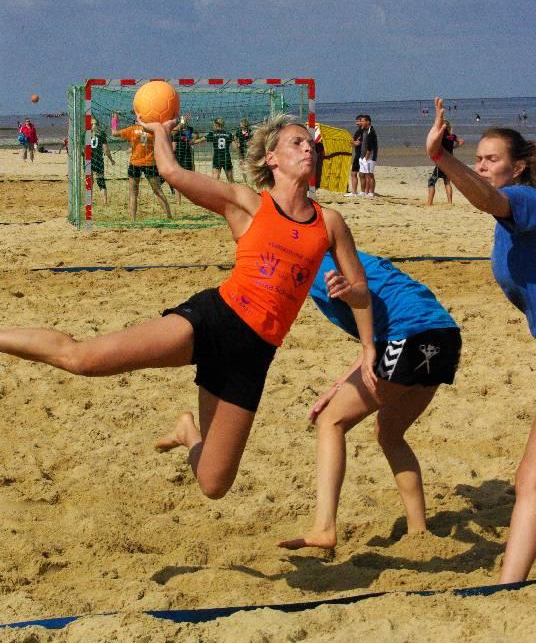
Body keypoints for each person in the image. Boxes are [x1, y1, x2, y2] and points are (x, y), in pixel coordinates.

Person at [0, 114, 375, 501]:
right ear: (271, 159)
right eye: (296, 142)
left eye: (309, 142)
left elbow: (363, 291)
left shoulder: (330, 223)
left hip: (254, 354)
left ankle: (186, 431)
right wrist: (161, 133)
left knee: (214, 484)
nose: (308, 147)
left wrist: (354, 304)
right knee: (83, 360)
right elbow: (172, 172)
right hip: (214, 321)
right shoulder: (247, 203)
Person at [278, 249, 461, 550]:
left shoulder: (317, 267)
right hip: (445, 336)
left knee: (331, 421)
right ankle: (418, 533)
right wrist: (339, 384)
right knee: (389, 432)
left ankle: (324, 528)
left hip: (409, 337)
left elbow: (369, 313)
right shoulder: (350, 258)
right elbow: (376, 338)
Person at [426, 96, 536, 584]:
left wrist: (441, 157)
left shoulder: (524, 200)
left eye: (492, 159)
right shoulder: (510, 220)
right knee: (529, 479)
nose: (484, 166)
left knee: (531, 480)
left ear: (519, 167)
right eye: (479, 158)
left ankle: (508, 585)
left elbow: (488, 198)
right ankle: (509, 585)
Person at [111, 120, 172, 222]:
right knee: (158, 191)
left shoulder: (132, 129)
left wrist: (114, 120)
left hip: (135, 163)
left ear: (137, 120)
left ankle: (133, 220)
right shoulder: (153, 130)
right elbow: (167, 135)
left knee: (133, 193)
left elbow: (114, 133)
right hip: (150, 163)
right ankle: (169, 216)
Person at [426, 119, 464, 206]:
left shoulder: (441, 136)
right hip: (450, 162)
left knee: (431, 181)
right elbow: (462, 142)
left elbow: (434, 144)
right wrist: (454, 147)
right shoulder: (452, 136)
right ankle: (450, 202)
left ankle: (429, 203)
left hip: (442, 162)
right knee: (447, 182)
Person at [195, 118, 235, 183]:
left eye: (213, 124)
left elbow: (201, 140)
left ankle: (215, 189)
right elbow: (235, 146)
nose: (213, 126)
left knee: (215, 179)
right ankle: (232, 188)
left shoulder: (212, 134)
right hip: (226, 157)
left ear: (216, 125)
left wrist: (192, 142)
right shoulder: (229, 134)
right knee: (230, 180)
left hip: (217, 158)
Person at [90, 117, 115, 205]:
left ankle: (89, 201)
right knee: (100, 180)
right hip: (98, 160)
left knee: (89, 181)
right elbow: (106, 150)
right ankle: (104, 201)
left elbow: (82, 150)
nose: (94, 126)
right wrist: (111, 160)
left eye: (94, 124)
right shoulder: (101, 134)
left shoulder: (85, 134)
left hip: (89, 160)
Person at [357, 115, 378, 198]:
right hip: (362, 156)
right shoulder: (363, 130)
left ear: (368, 122)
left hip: (370, 157)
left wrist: (366, 157)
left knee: (370, 175)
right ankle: (362, 192)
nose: (360, 122)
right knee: (361, 174)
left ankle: (371, 193)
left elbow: (370, 147)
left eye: (362, 121)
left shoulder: (371, 132)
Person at [344, 116, 363, 197]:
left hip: (360, 155)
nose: (357, 123)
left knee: (354, 173)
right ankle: (363, 192)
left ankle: (355, 192)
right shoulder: (360, 131)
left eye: (358, 121)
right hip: (360, 154)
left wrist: (348, 142)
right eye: (356, 121)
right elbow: (355, 143)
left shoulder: (362, 132)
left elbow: (357, 143)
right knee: (361, 174)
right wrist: (352, 142)